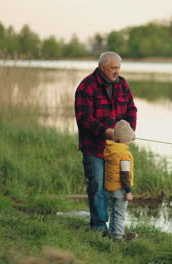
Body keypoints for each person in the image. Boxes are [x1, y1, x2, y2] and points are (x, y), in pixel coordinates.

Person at [74, 52, 137, 231]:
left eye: (118, 68)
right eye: (113, 68)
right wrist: (104, 131)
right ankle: (99, 226)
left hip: (117, 149)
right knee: (97, 186)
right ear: (102, 67)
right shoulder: (86, 86)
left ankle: (115, 228)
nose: (117, 71)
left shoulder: (123, 84)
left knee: (116, 187)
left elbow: (131, 109)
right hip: (94, 147)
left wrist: (129, 131)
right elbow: (83, 117)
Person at [104, 120, 136, 241]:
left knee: (113, 211)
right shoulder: (124, 155)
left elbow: (119, 139)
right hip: (120, 189)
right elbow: (124, 175)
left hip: (110, 187)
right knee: (119, 213)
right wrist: (128, 191)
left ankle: (112, 233)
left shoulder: (111, 149)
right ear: (127, 139)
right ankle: (117, 237)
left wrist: (128, 136)